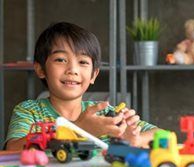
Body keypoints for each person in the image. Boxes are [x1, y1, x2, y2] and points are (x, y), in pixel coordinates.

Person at [5, 22, 158, 150]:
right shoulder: (29, 111)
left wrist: (135, 141)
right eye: (60, 59)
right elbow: (12, 149)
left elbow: (165, 135)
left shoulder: (106, 114)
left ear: (93, 75)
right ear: (40, 69)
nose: (72, 70)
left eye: (83, 62)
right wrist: (79, 129)